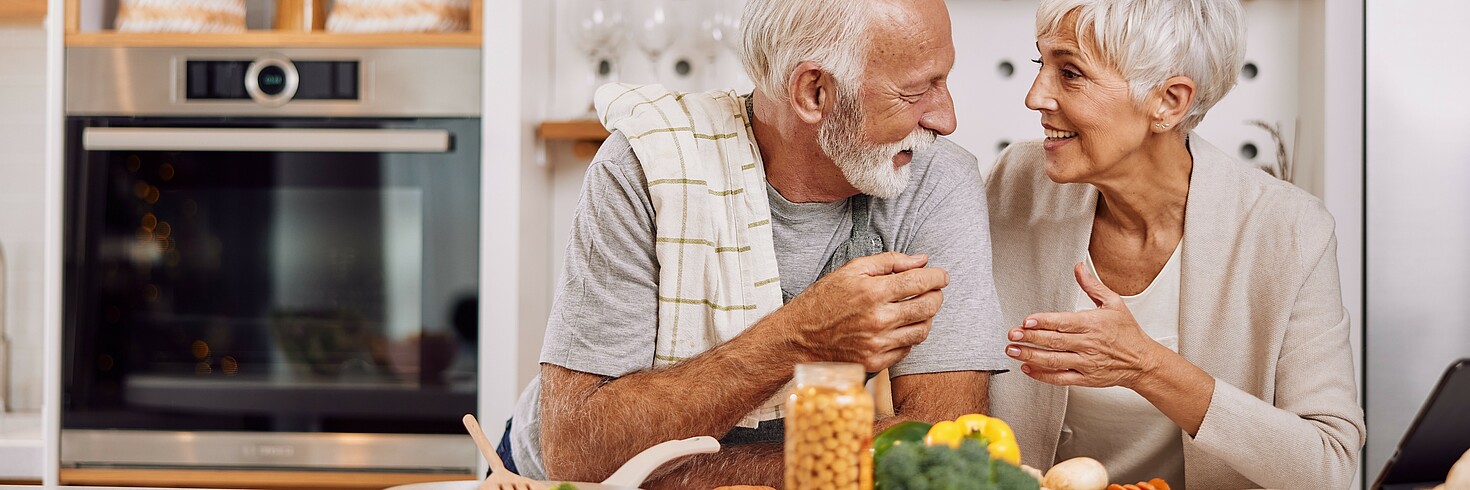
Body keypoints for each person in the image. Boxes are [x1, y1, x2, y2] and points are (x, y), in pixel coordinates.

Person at [501, 0, 1010, 487]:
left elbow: (944, 444)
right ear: (814, 93)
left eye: (944, 80)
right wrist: (799, 336)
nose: (946, 119)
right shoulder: (646, 164)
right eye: (917, 91)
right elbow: (581, 454)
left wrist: (670, 472)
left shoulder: (936, 177)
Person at [984, 0, 1365, 488]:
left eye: (1071, 72)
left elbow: (1328, 466)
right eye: (1043, 65)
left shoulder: (1287, 230)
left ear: (1169, 102)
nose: (1035, 96)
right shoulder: (1017, 180)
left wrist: (1146, 366)